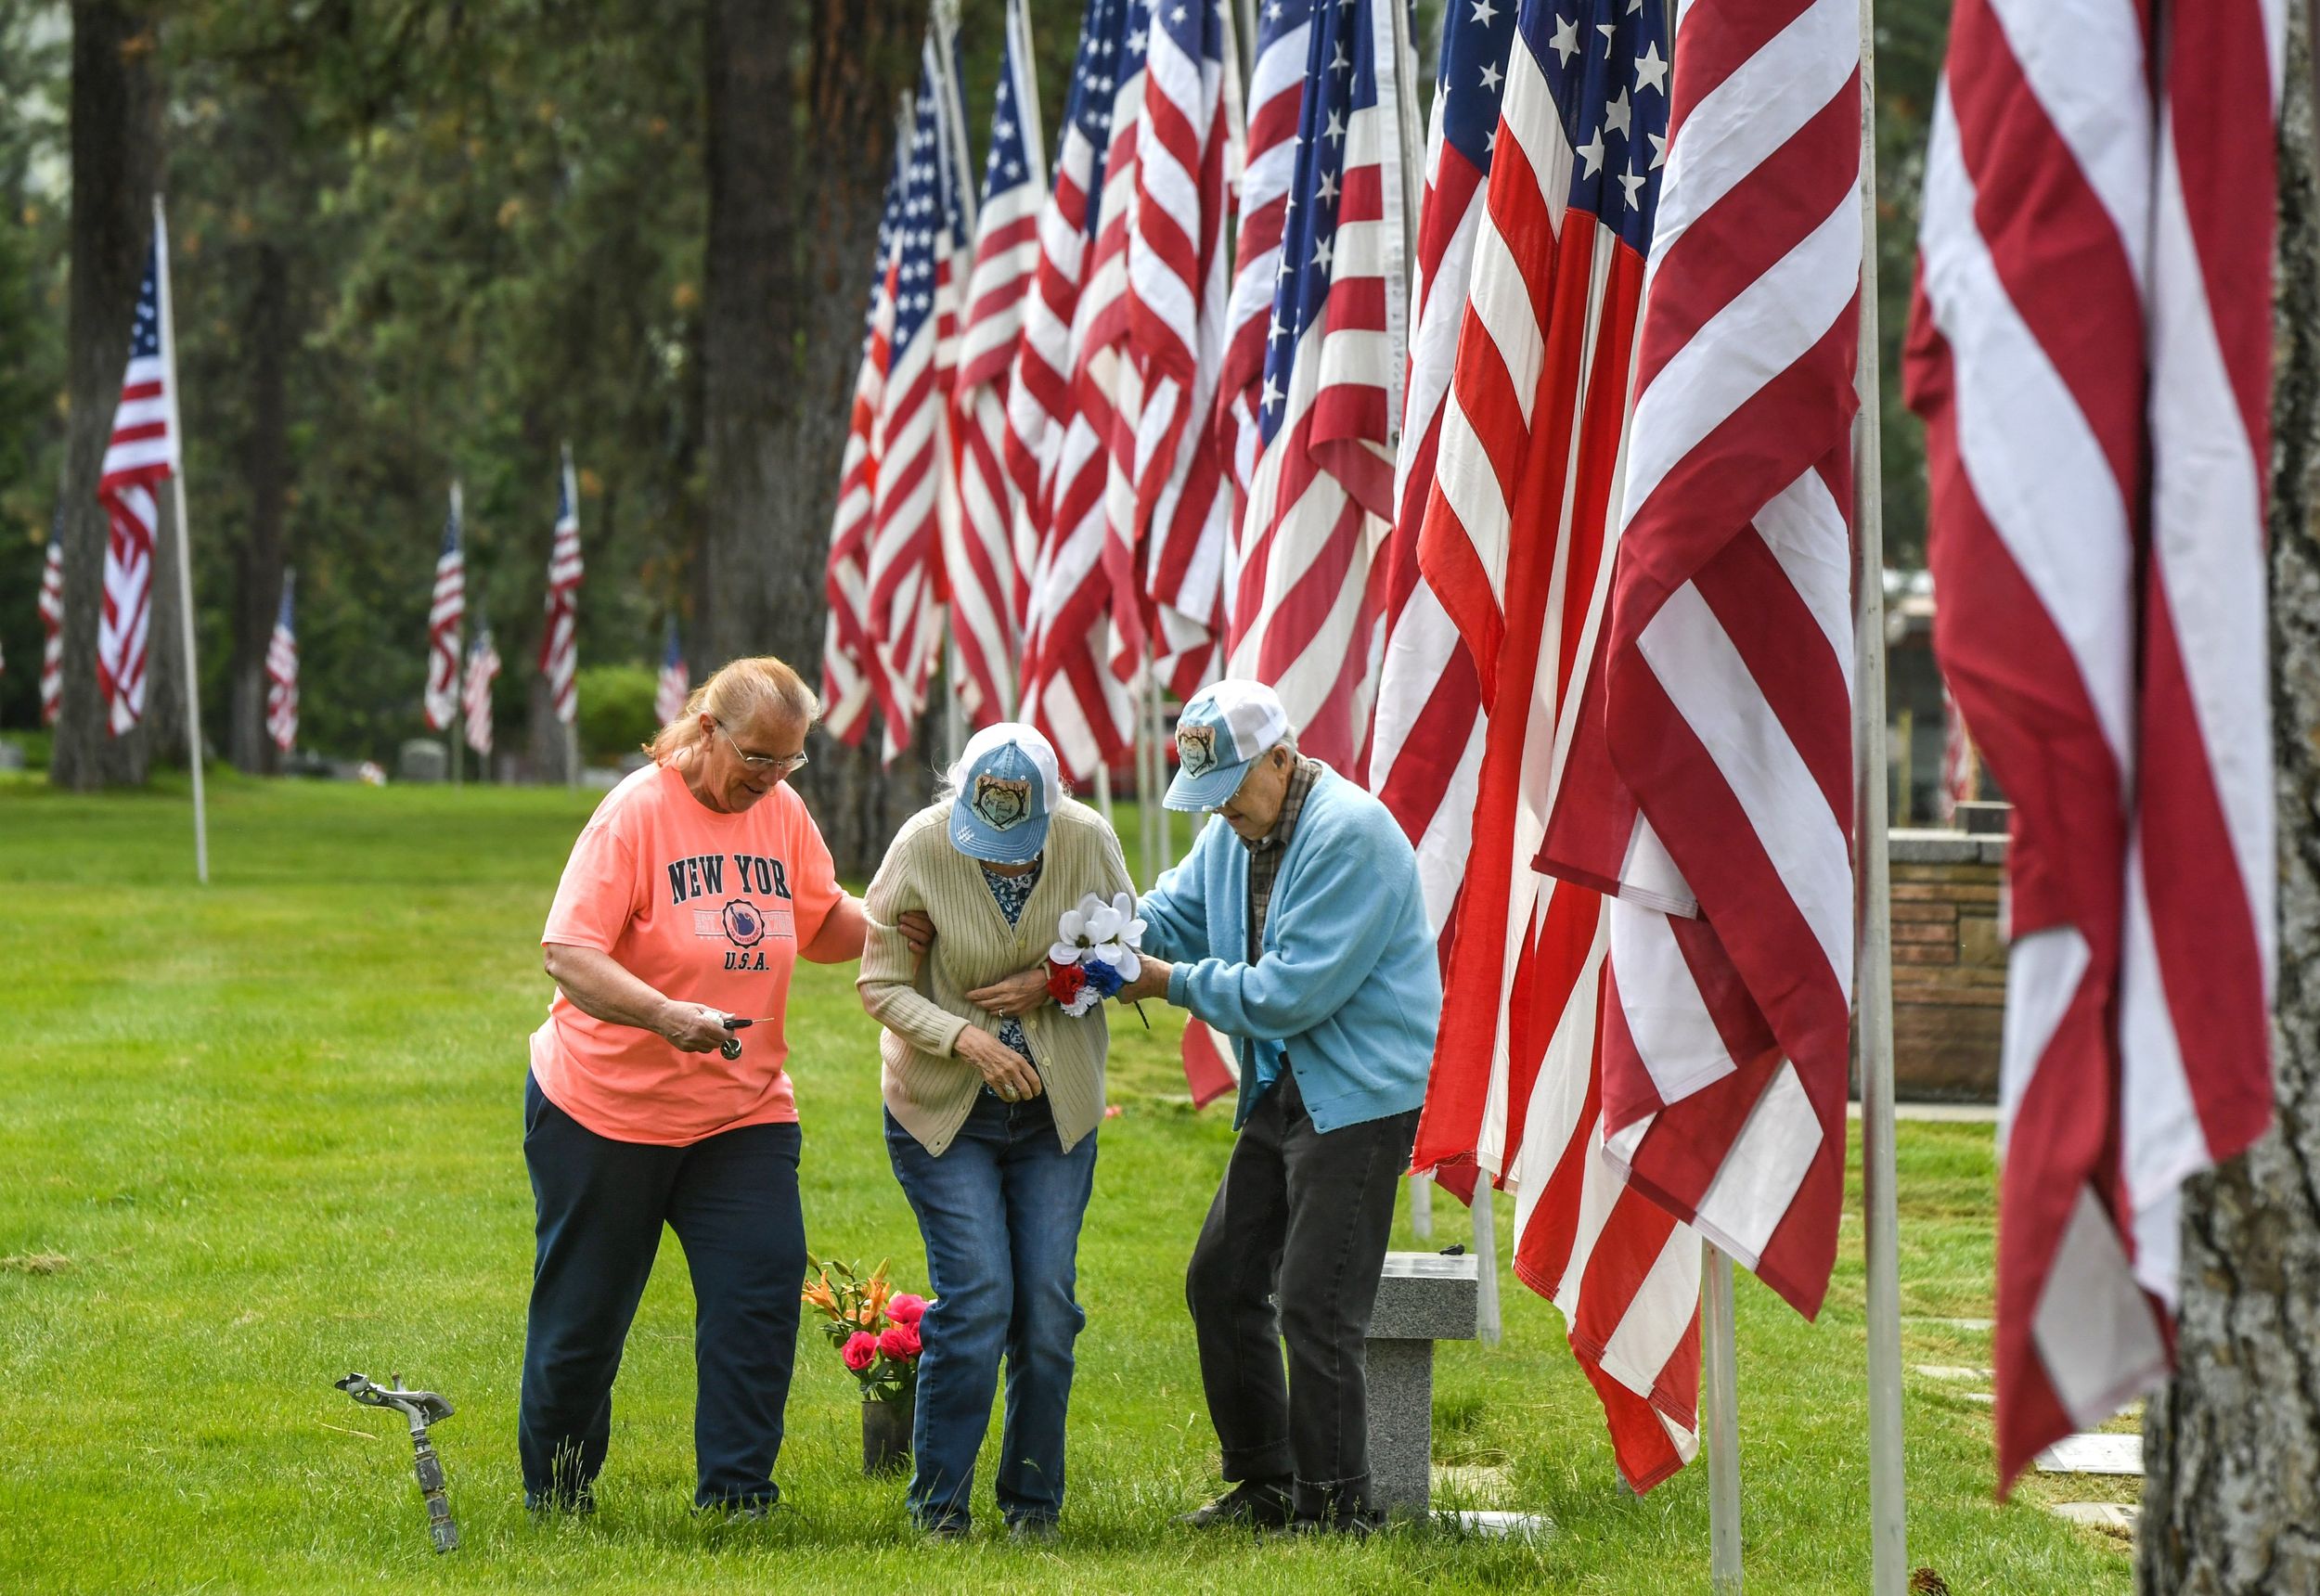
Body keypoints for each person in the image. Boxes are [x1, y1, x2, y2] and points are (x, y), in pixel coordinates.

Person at [521, 655, 874, 1515]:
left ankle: (738, 1495)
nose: (771, 777)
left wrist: (917, 923)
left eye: (788, 760)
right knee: (585, 1323)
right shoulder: (635, 816)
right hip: (605, 1113)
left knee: (759, 1293)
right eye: (757, 757)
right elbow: (569, 954)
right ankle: (560, 1495)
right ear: (707, 729)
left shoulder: (782, 813)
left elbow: (822, 921)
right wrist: (664, 1015)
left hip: (741, 1109)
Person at [1118, 680, 1439, 1534]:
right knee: (1220, 1280)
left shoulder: (1354, 834)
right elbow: (1173, 913)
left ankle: (1337, 1508)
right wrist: (1100, 940)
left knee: (1315, 1302)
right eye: (1207, 796)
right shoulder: (1236, 831)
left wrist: (1166, 982)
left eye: (1230, 791)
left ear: (1282, 759)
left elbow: (1291, 993)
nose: (1220, 812)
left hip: (1360, 1094)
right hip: (1284, 1083)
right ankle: (1264, 1484)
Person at [859, 723, 1133, 1540]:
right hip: (945, 1113)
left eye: (1020, 845)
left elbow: (1125, 954)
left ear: (1055, 808)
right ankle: (938, 1509)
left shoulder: (1088, 838)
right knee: (979, 1300)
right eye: (990, 845)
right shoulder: (921, 845)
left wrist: (1053, 981)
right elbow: (879, 983)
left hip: (1056, 1114)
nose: (1006, 860)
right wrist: (963, 1036)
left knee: (1047, 1309)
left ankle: (1032, 1507)